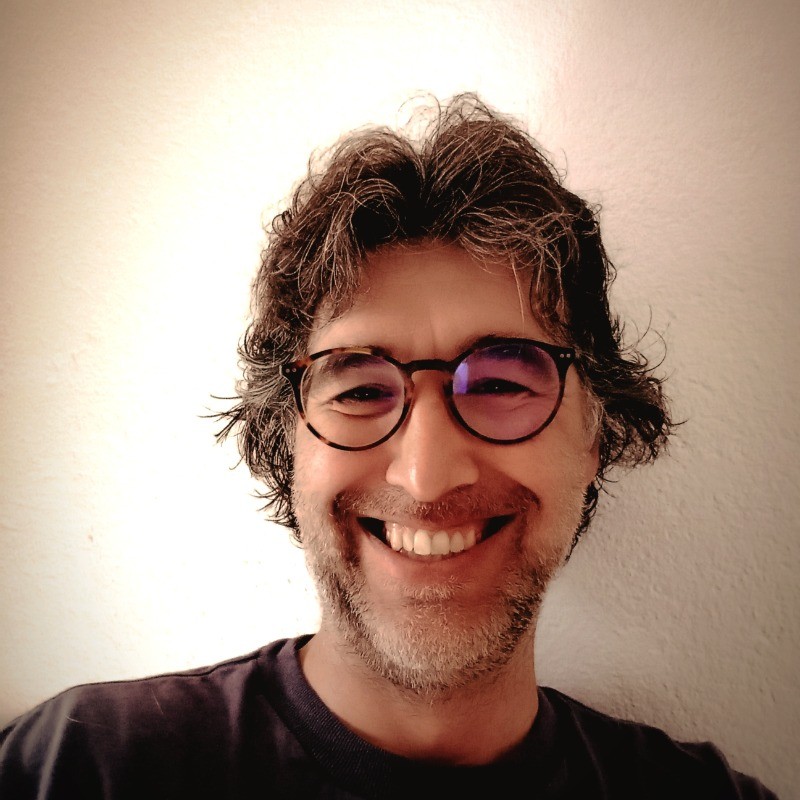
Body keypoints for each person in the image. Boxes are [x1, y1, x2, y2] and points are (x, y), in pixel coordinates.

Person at [0, 94, 779, 799]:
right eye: (360, 390)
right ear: (286, 442)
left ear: (597, 435)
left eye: (501, 382)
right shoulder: (83, 768)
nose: (426, 474)